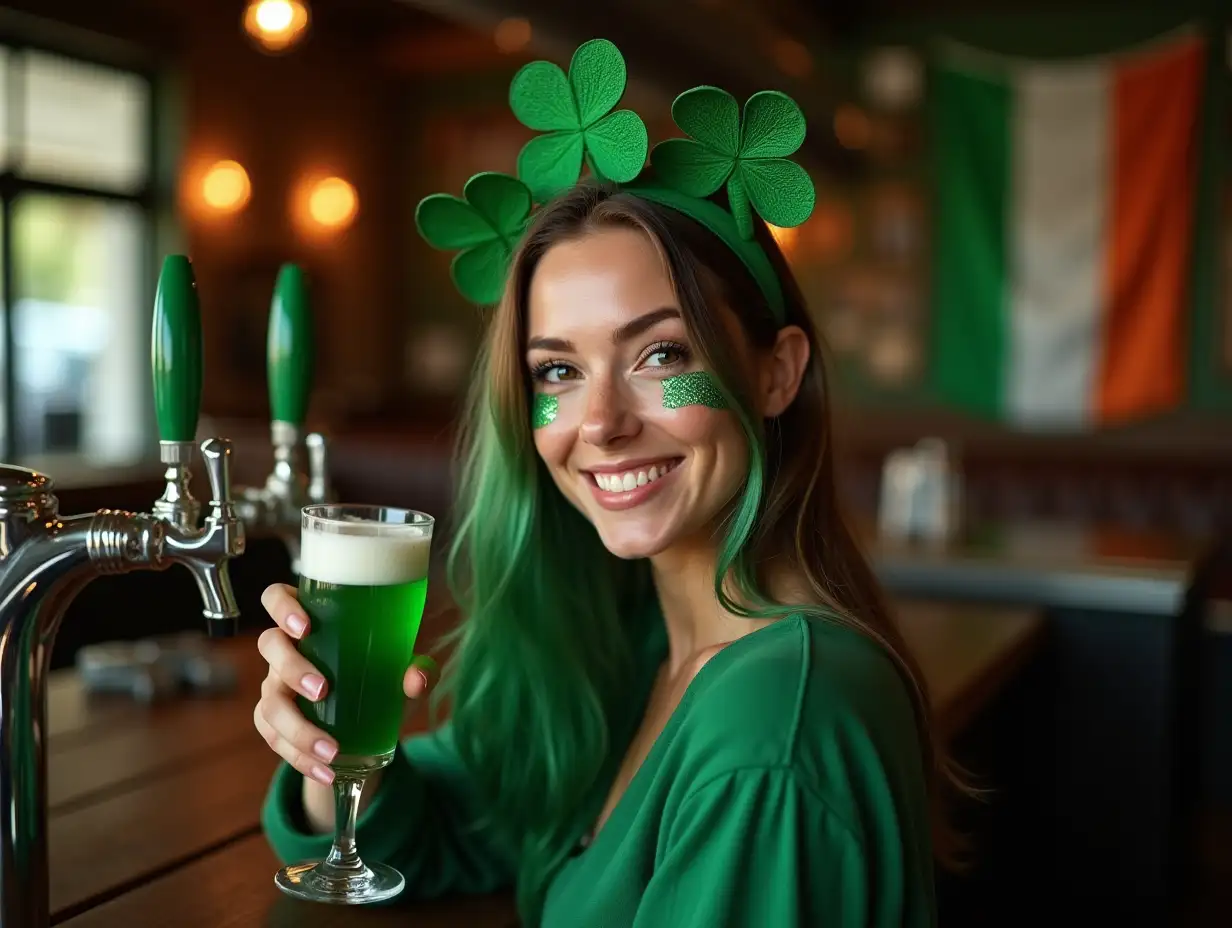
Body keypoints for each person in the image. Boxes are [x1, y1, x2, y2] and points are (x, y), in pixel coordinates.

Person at [255, 39, 962, 928]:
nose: (599, 424)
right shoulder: (629, 644)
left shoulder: (775, 728)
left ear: (777, 373)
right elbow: (446, 829)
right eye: (557, 372)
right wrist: (329, 754)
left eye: (662, 354)